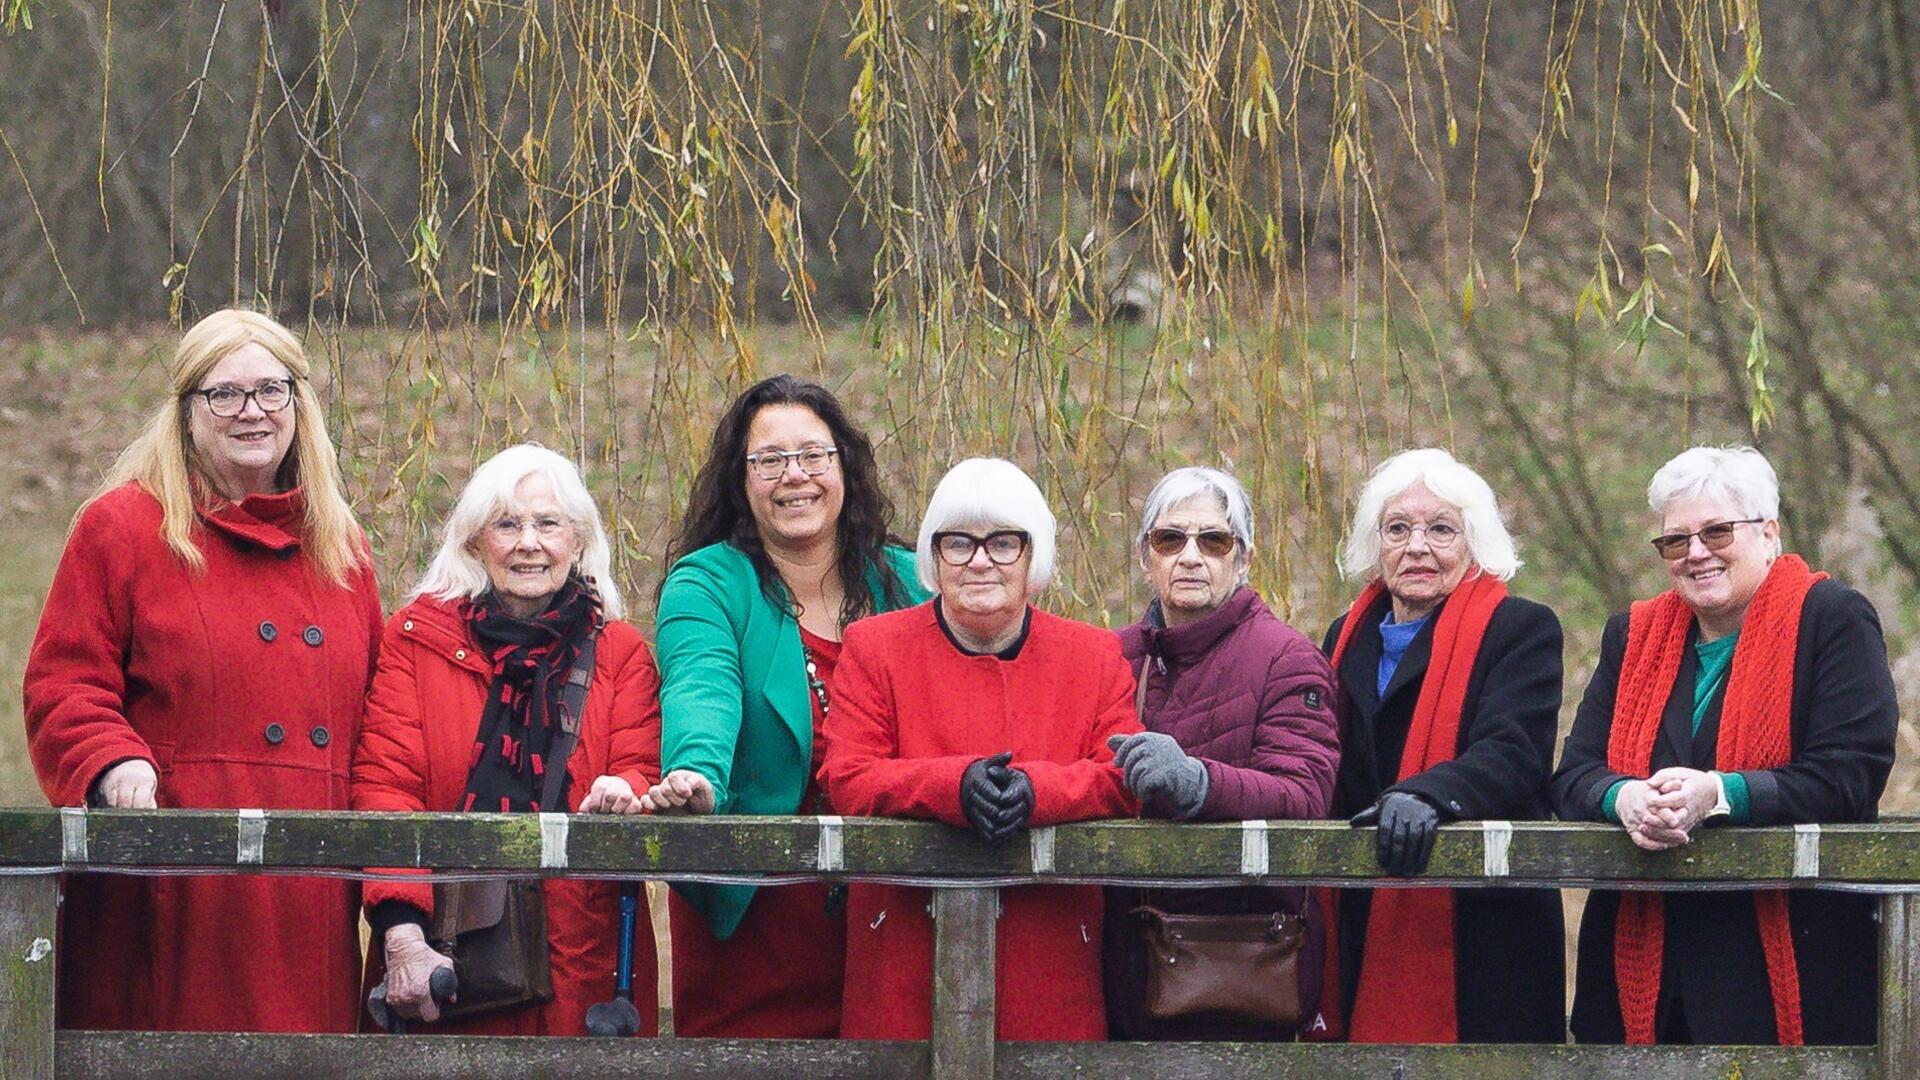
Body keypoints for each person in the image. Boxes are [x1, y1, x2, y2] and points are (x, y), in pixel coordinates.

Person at [22, 309, 382, 1032]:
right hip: (175, 885)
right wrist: (111, 760)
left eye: (271, 391)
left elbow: (380, 716)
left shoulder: (341, 546)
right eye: (225, 394)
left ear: (298, 405)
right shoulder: (124, 526)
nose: (251, 412)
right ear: (186, 412)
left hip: (306, 894)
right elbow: (64, 683)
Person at [1552, 446, 1896, 1046]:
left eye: (1716, 531)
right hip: (1640, 974)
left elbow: (1848, 778)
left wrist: (1718, 793)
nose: (1697, 553)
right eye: (1676, 541)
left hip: (1785, 967)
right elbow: (1574, 774)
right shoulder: (1631, 635)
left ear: (1769, 533)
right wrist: (1623, 798)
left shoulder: (1832, 619)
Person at [818, 457, 1142, 1041]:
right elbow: (847, 775)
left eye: (1003, 543)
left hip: (1047, 954)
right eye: (959, 543)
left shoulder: (1093, 656)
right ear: (934, 558)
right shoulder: (875, 648)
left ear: (1032, 556)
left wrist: (1038, 791)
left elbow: (1121, 775)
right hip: (904, 952)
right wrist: (952, 786)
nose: (980, 560)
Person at [641, 375, 926, 1037]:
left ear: (844, 467)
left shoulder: (912, 580)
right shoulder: (709, 583)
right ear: (741, 481)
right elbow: (700, 686)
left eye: (813, 455)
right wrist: (696, 777)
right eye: (769, 459)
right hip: (759, 921)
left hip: (896, 913)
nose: (793, 475)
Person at [351, 444, 662, 1035]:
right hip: (446, 961)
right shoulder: (417, 644)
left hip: (584, 970)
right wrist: (402, 937)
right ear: (473, 542)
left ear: (578, 540)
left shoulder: (621, 654)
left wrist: (626, 791)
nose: (529, 542)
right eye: (507, 524)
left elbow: (639, 764)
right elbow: (386, 789)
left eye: (548, 524)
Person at [1310, 447, 1565, 1044]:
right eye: (1398, 528)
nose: (1417, 546)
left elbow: (1514, 752)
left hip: (1482, 929)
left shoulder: (1520, 629)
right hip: (1362, 906)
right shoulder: (1343, 637)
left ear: (1475, 542)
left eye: (1441, 529)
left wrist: (1429, 796)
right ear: (1377, 545)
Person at [1104, 466, 1341, 1040]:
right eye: (1170, 539)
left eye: (1213, 540)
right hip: (1123, 954)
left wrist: (1199, 783)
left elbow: (1304, 794)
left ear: (1244, 558)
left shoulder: (1288, 659)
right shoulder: (1111, 656)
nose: (1190, 556)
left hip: (1239, 959)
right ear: (1145, 557)